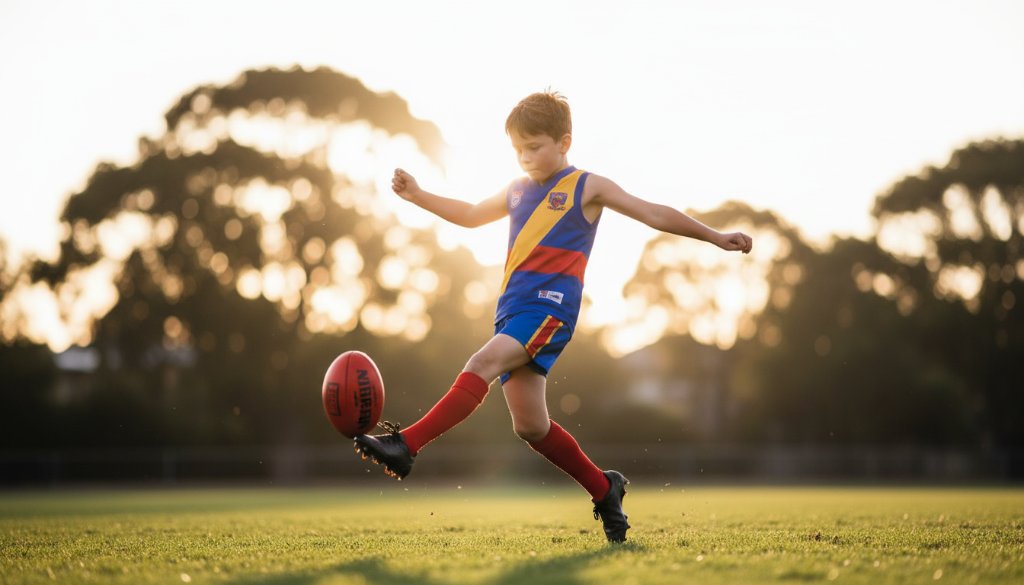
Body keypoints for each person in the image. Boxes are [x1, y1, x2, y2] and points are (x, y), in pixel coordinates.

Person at [354, 91, 753, 543]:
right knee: (531, 426)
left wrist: (715, 236)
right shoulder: (517, 189)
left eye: (535, 146)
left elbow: (653, 213)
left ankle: (406, 445)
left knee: (480, 365)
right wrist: (419, 195)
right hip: (511, 312)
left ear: (564, 141)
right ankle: (606, 489)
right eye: (518, 149)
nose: (525, 157)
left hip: (550, 309)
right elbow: (468, 215)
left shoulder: (587, 186)